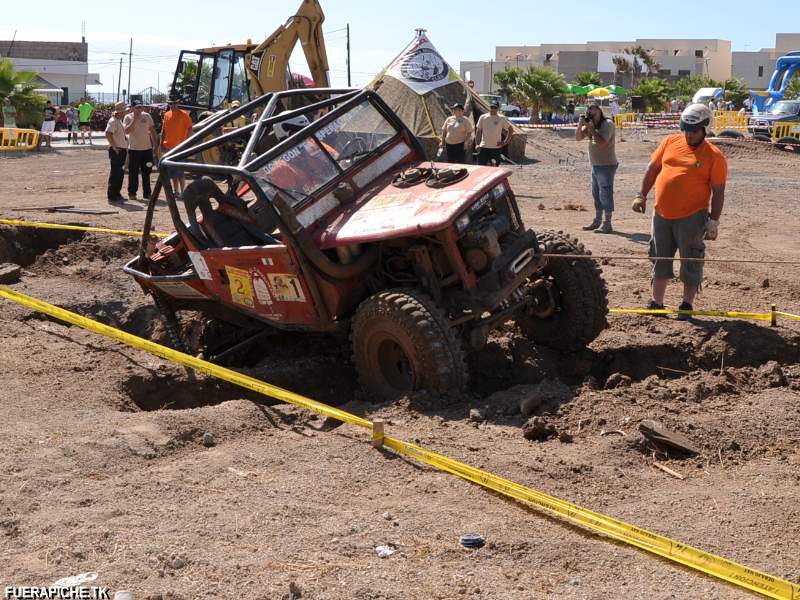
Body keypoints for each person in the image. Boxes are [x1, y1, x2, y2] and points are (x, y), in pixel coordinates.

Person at [631, 103, 727, 318]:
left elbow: (719, 191)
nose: (689, 134)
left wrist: (714, 221)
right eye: (686, 129)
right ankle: (657, 302)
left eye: (694, 131)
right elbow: (653, 168)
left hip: (692, 216)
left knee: (691, 260)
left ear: (705, 129)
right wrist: (641, 194)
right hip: (661, 213)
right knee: (659, 257)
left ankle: (686, 304)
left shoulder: (714, 156)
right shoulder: (670, 142)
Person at [575, 103, 618, 233]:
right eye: (589, 113)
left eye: (593, 112)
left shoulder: (607, 124)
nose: (591, 115)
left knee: (605, 194)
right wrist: (580, 124)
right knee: (596, 195)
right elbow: (578, 138)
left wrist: (592, 129)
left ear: (600, 111)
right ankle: (598, 221)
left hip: (606, 165)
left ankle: (607, 223)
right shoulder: (591, 123)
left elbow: (602, 143)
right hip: (595, 164)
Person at [123, 99, 158, 201]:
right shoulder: (128, 117)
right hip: (134, 149)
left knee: (147, 172)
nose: (139, 109)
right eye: (137, 107)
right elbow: (126, 131)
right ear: (132, 108)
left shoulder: (147, 116)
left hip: (147, 149)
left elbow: (152, 131)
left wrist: (155, 146)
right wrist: (135, 119)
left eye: (140, 107)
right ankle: (132, 193)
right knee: (133, 173)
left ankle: (147, 193)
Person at [160, 97, 194, 197]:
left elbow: (190, 128)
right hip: (168, 147)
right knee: (172, 172)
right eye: (171, 103)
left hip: (180, 148)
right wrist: (161, 144)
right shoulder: (167, 114)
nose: (172, 105)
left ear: (177, 103)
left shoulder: (184, 115)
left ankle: (183, 192)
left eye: (174, 103)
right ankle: (176, 191)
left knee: (180, 172)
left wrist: (187, 142)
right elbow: (163, 130)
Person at [105, 101, 128, 203]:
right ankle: (112, 196)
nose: (125, 113)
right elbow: (108, 133)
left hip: (120, 149)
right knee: (115, 173)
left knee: (120, 173)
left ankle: (117, 194)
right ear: (120, 112)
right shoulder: (113, 121)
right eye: (124, 111)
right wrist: (114, 147)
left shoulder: (118, 120)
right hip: (117, 150)